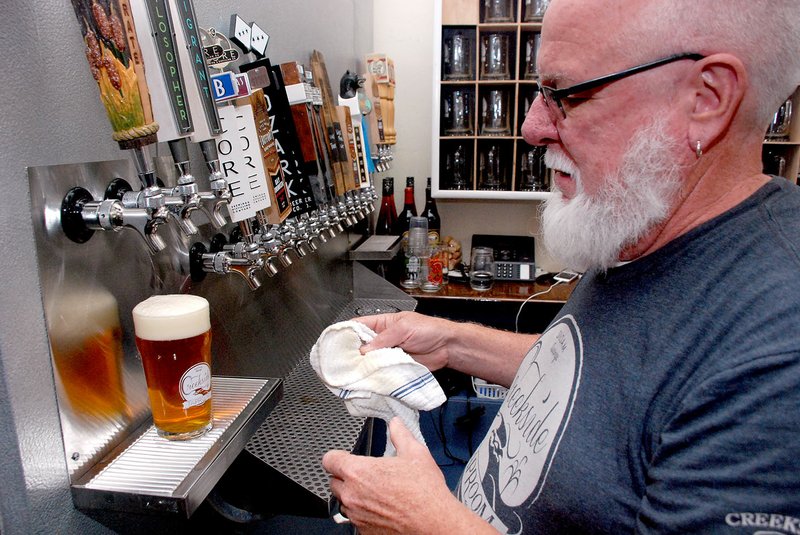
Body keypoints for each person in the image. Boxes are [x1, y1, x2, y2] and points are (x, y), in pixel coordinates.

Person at [322, 0, 800, 532]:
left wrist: (424, 521)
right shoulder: (642, 220)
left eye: (567, 96)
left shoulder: (778, 356)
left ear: (706, 99)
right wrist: (452, 342)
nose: (531, 127)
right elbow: (605, 379)